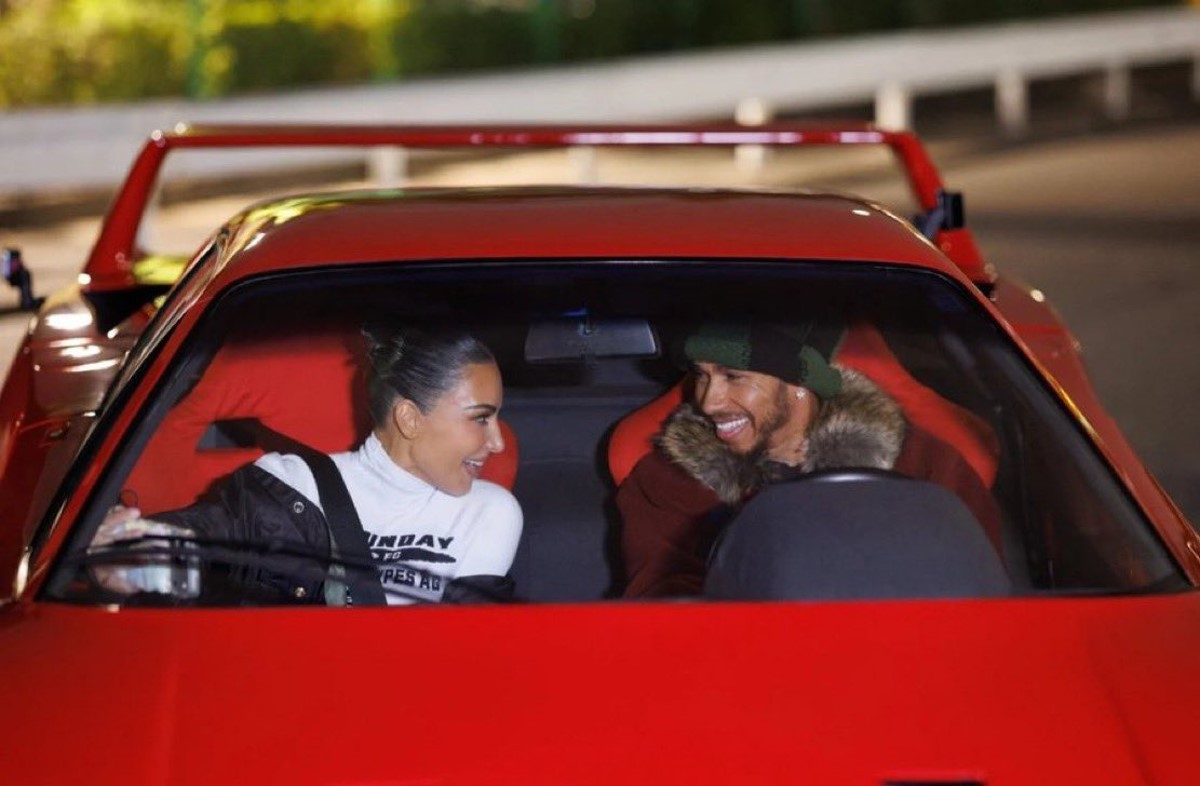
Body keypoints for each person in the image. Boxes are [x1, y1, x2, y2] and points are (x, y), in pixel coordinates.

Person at [94, 324, 523, 605]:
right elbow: (204, 542)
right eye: (481, 418)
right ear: (409, 418)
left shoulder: (490, 511)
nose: (498, 442)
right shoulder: (289, 486)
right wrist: (128, 554)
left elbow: (465, 651)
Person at [617, 320, 1000, 598]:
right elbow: (663, 603)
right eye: (701, 376)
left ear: (800, 385)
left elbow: (981, 596)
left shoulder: (922, 466)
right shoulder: (671, 481)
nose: (708, 400)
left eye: (733, 376)